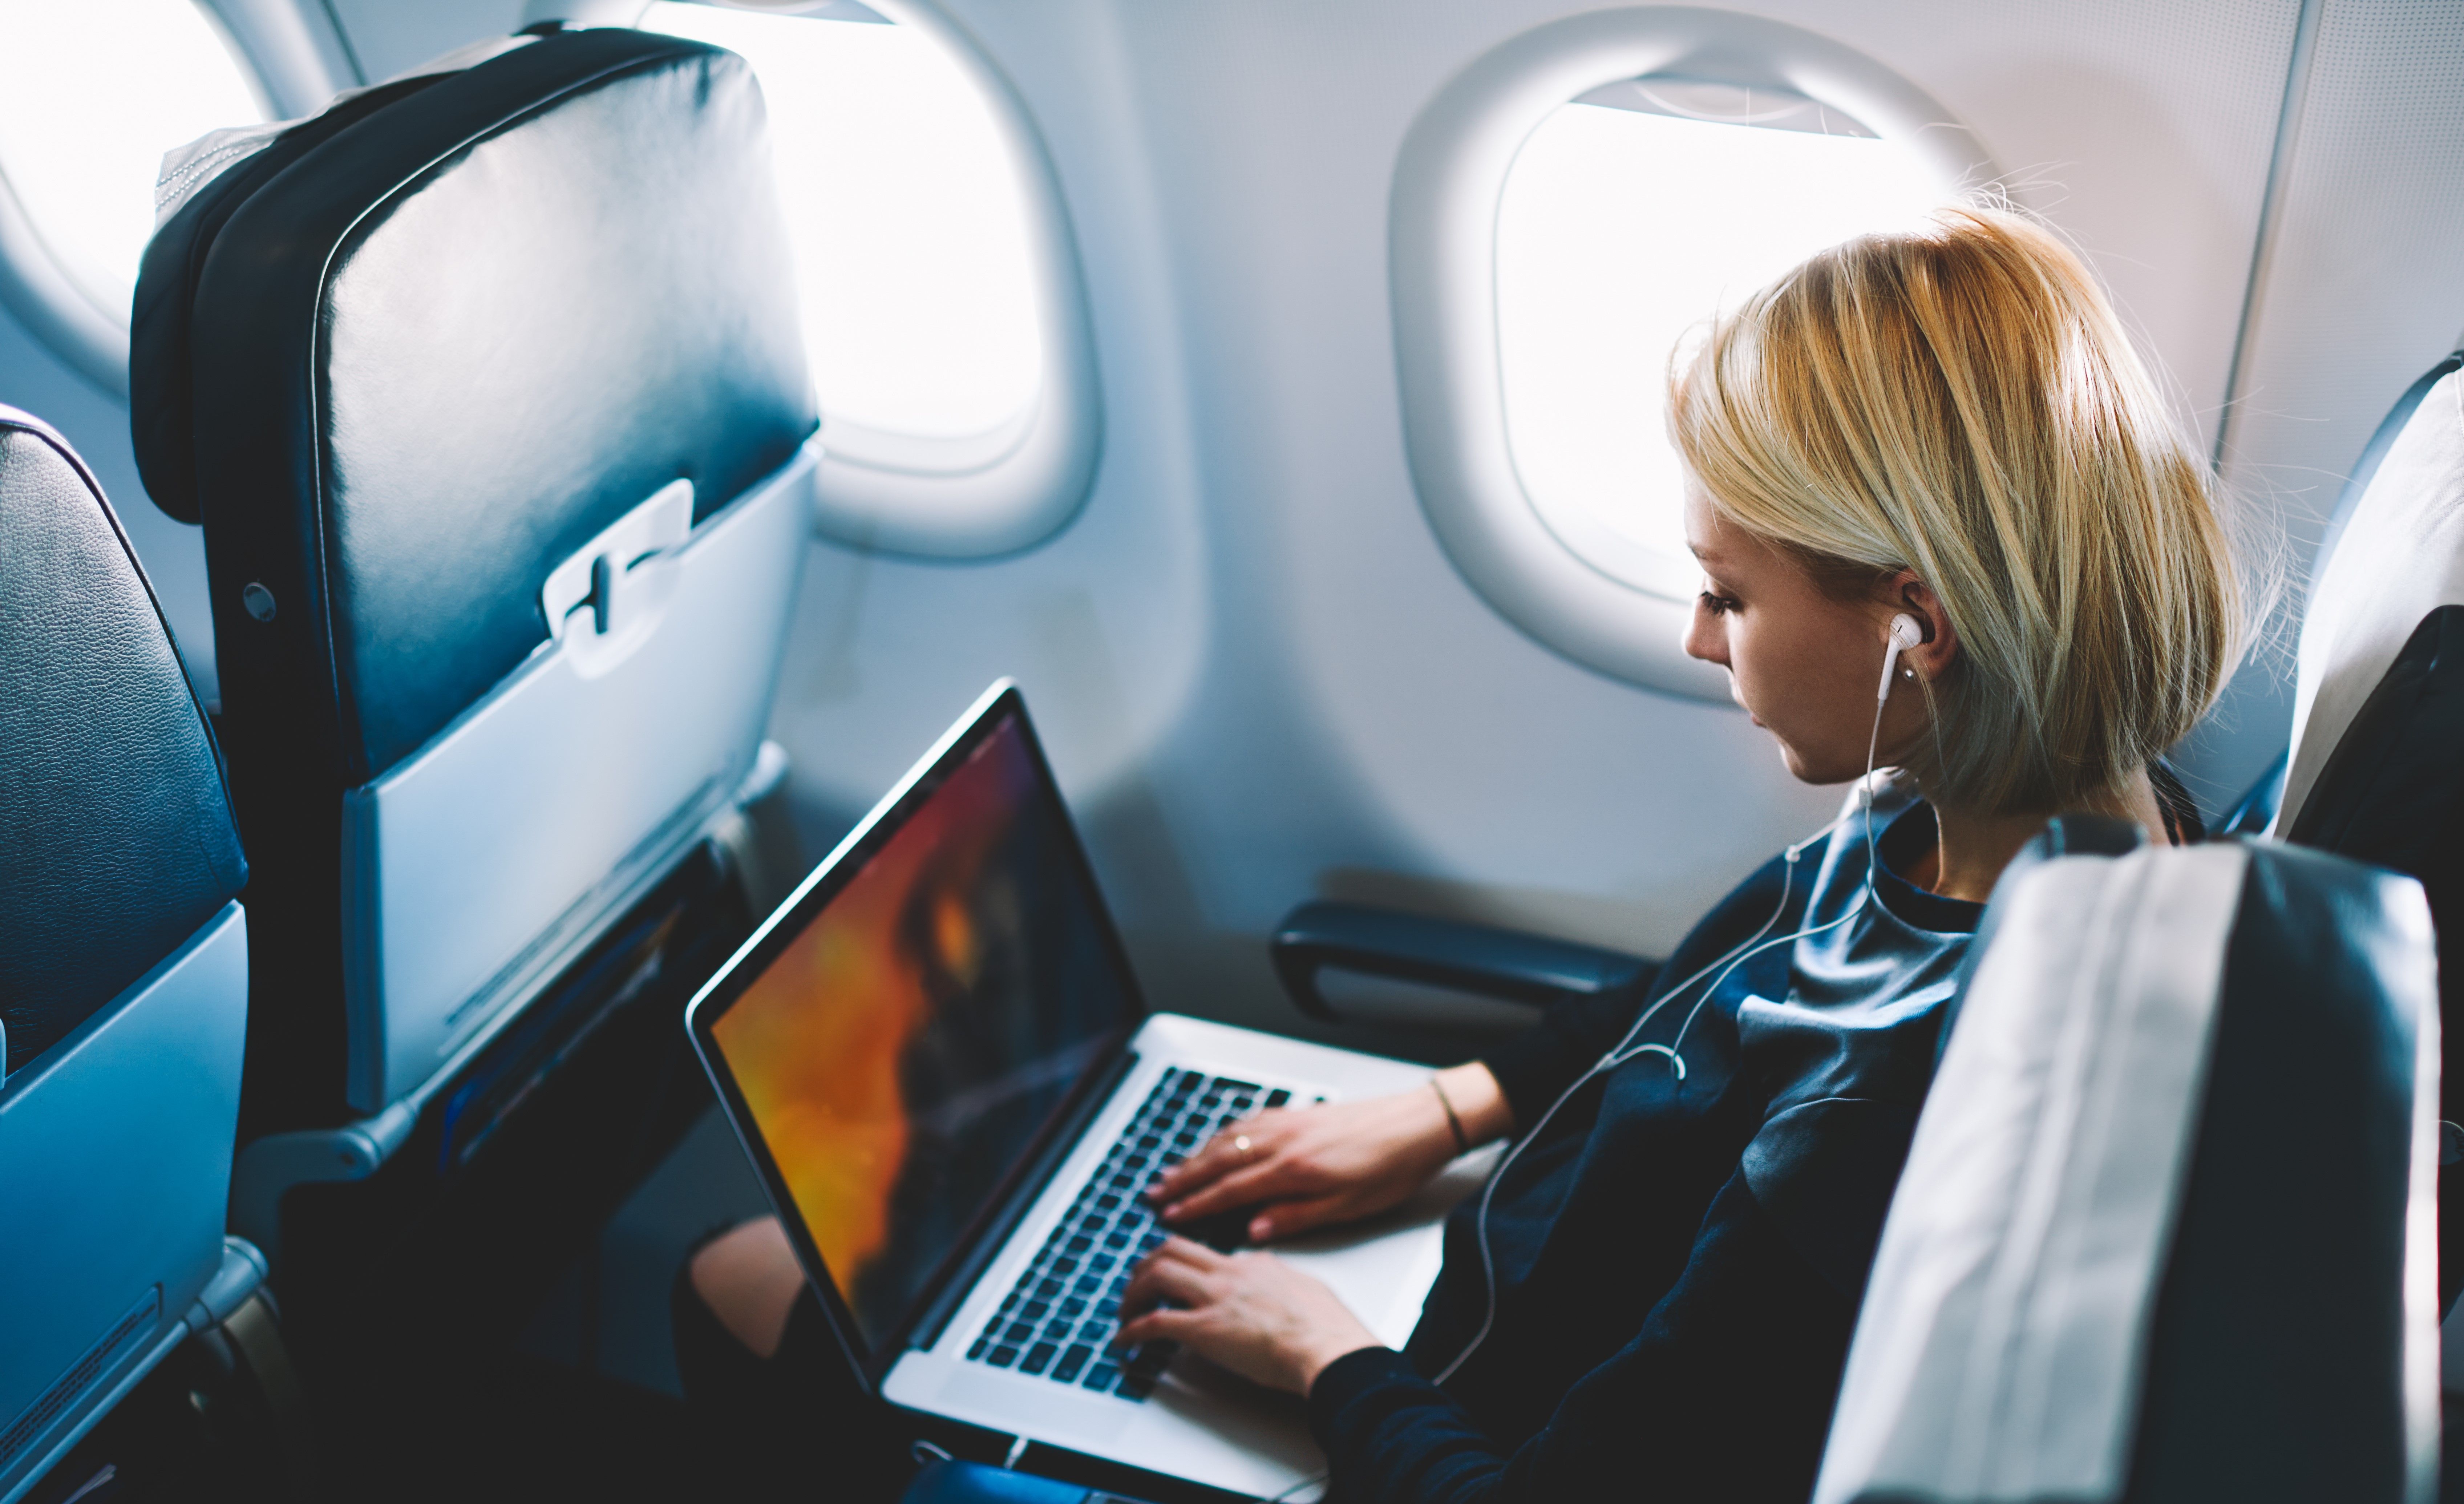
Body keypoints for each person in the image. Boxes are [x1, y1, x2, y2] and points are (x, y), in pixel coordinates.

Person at [675, 204, 2243, 1501]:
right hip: (1476, 1340)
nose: (1699, 640)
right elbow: (1686, 1004)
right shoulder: (2007, 816)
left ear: (1918, 628)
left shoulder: (1890, 1120)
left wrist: (1324, 1362)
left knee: (751, 1288)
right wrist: (1443, 1112)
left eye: (1732, 594)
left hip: (1433, 1438)